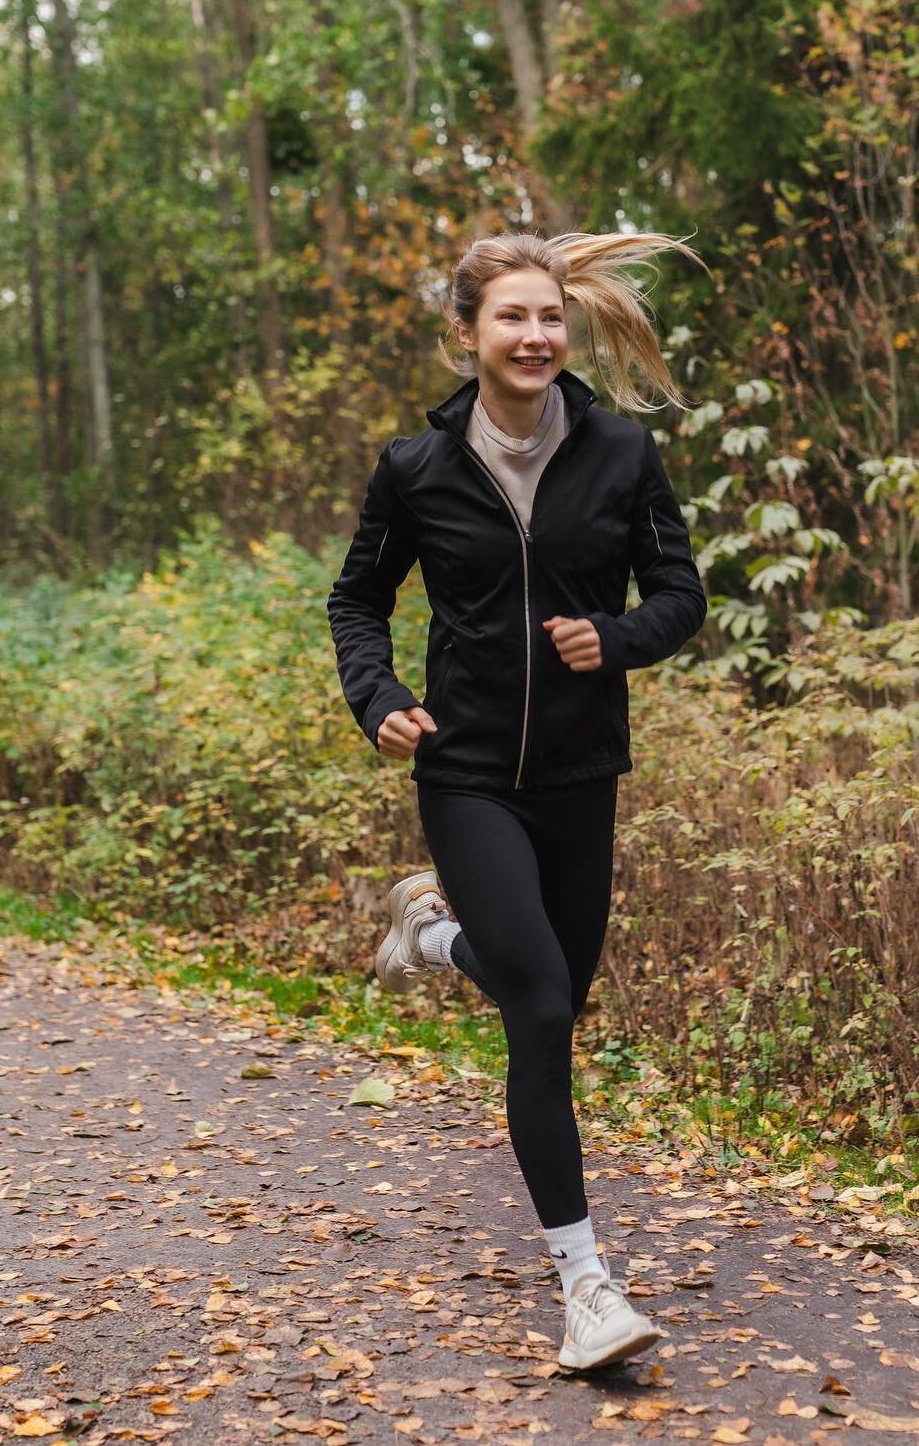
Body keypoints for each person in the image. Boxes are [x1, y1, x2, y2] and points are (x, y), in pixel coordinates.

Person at [326, 230, 708, 1373]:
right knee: (540, 1012)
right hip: (468, 769)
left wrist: (620, 638)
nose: (536, 336)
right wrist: (377, 693)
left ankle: (435, 935)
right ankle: (586, 1287)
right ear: (468, 333)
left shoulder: (623, 453)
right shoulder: (416, 469)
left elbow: (681, 593)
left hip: (583, 776)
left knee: (550, 998)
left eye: (551, 318)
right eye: (512, 318)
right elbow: (356, 601)